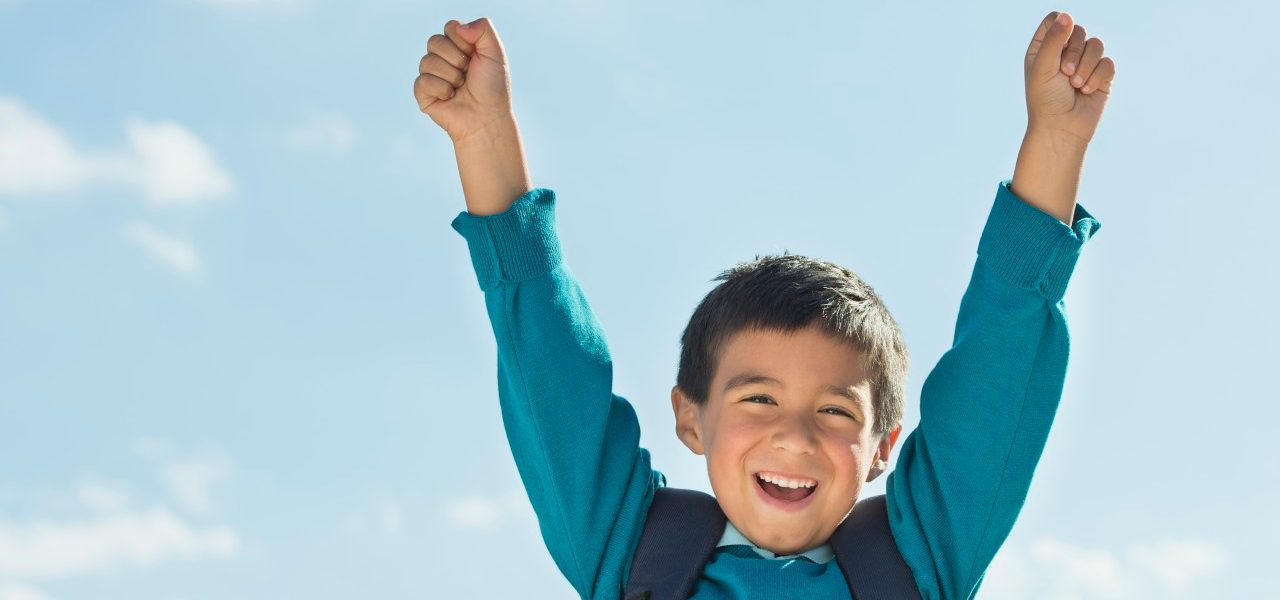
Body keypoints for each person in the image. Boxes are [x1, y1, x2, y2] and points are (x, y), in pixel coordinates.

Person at [415, 9, 1114, 599]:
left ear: (882, 449)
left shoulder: (913, 563)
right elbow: (550, 368)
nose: (795, 436)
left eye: (837, 410)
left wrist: (1056, 138)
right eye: (757, 398)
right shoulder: (633, 553)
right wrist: (484, 138)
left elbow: (999, 368)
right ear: (691, 416)